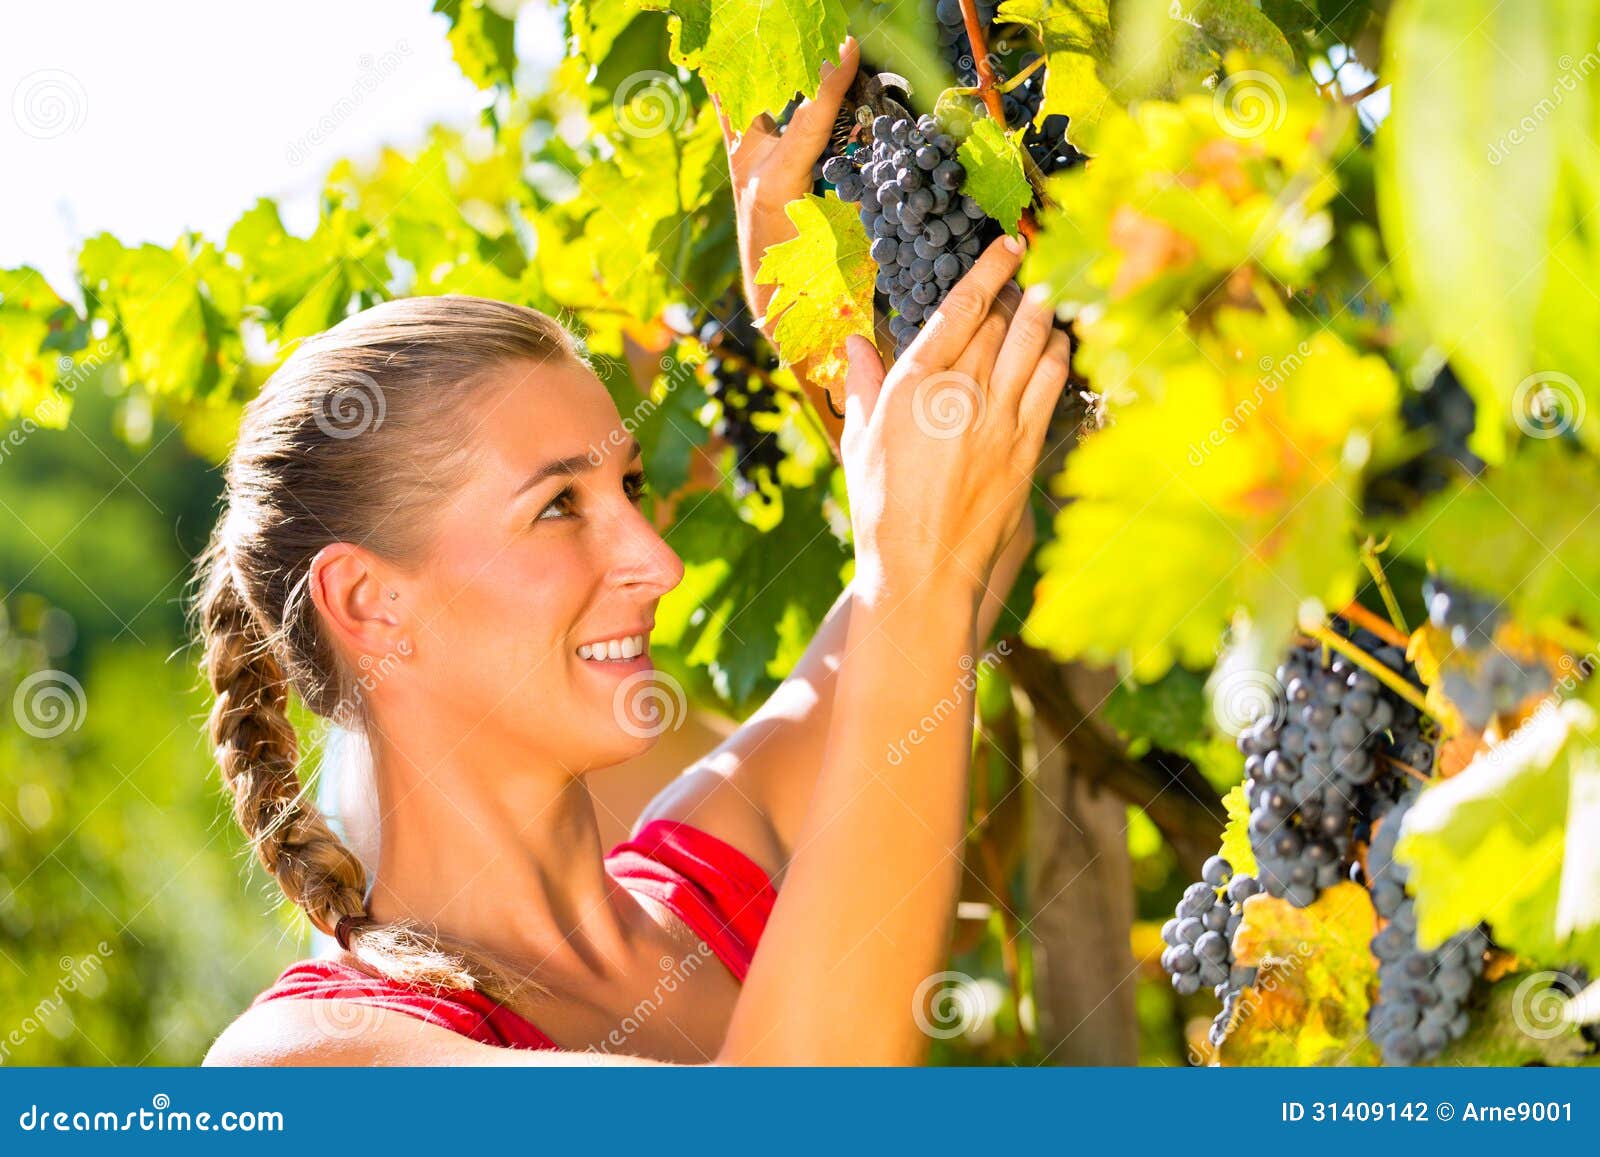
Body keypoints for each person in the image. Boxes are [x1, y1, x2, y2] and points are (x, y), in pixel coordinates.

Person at [201, 39, 1070, 1066]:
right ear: (370, 602)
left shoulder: (711, 868)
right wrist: (912, 574)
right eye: (558, 505)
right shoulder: (313, 1061)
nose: (656, 561)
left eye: (628, 488)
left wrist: (815, 307)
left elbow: (969, 542)